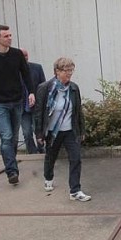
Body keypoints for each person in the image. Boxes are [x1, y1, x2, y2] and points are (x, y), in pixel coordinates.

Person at [0, 25, 34, 184]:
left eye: (10, 35)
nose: (9, 38)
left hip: (17, 101)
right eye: (6, 36)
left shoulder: (17, 54)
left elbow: (26, 74)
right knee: (6, 136)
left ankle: (11, 161)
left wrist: (31, 92)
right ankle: (11, 171)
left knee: (14, 137)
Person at [35, 57, 90, 201]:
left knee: (76, 158)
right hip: (53, 131)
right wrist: (39, 133)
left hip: (70, 130)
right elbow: (39, 112)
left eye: (71, 70)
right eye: (66, 70)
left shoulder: (73, 88)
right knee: (51, 156)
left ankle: (75, 191)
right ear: (57, 72)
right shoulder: (44, 88)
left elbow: (78, 111)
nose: (69, 74)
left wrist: (81, 130)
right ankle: (48, 177)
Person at [20, 49, 46, 154]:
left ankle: (42, 149)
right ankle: (32, 153)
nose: (24, 57)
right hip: (22, 108)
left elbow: (43, 86)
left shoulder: (37, 68)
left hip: (36, 106)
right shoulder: (13, 71)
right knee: (27, 132)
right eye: (22, 56)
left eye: (26, 55)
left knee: (38, 130)